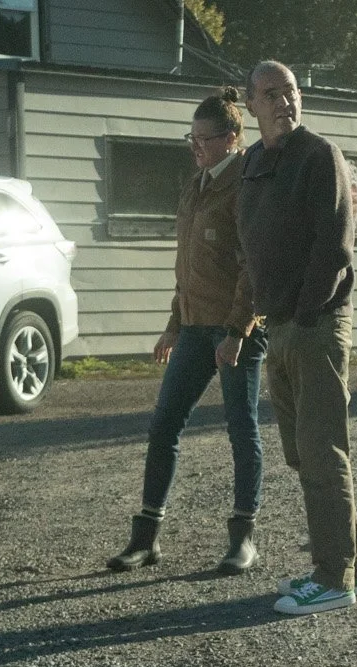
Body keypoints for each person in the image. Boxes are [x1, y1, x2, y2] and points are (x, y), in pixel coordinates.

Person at [107, 87, 267, 575]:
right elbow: (188, 267)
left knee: (241, 428)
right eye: (191, 137)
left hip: (236, 331)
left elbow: (253, 267)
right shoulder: (195, 185)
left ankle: (243, 538)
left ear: (232, 137)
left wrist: (237, 331)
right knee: (164, 425)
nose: (195, 146)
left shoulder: (246, 185)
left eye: (205, 138)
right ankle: (146, 539)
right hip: (195, 327)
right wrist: (174, 325)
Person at [237, 59, 357, 615]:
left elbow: (335, 245)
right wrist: (254, 316)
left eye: (289, 91)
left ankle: (332, 579)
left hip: (316, 324)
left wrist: (308, 312)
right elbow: (250, 248)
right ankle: (352, 568)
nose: (284, 101)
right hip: (279, 326)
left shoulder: (319, 155)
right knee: (301, 452)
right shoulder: (251, 164)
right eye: (270, 94)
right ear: (251, 105)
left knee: (321, 451)